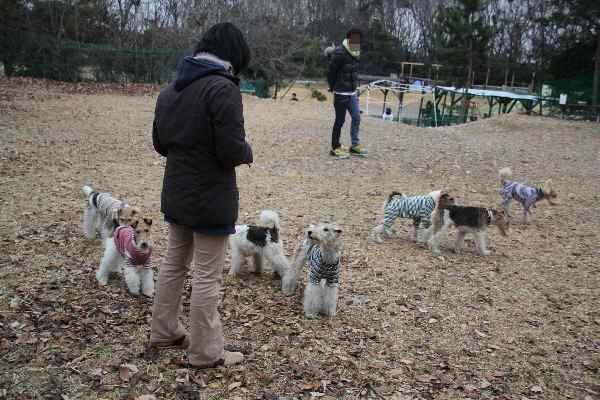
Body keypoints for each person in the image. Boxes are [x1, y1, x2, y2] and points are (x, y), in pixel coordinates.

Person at [150, 22, 253, 369]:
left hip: (177, 193)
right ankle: (206, 352)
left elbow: (160, 143)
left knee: (174, 263)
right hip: (210, 198)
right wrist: (247, 150)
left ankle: (164, 331)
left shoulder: (170, 91)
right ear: (233, 56)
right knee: (207, 275)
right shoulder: (223, 88)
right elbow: (230, 150)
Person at [327, 28, 368, 158]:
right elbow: (331, 72)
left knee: (356, 117)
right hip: (340, 92)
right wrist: (332, 87)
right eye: (355, 38)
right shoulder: (339, 52)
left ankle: (354, 145)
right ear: (349, 38)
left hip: (352, 92)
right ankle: (335, 147)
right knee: (340, 120)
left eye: (359, 39)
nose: (357, 41)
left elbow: (353, 72)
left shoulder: (357, 52)